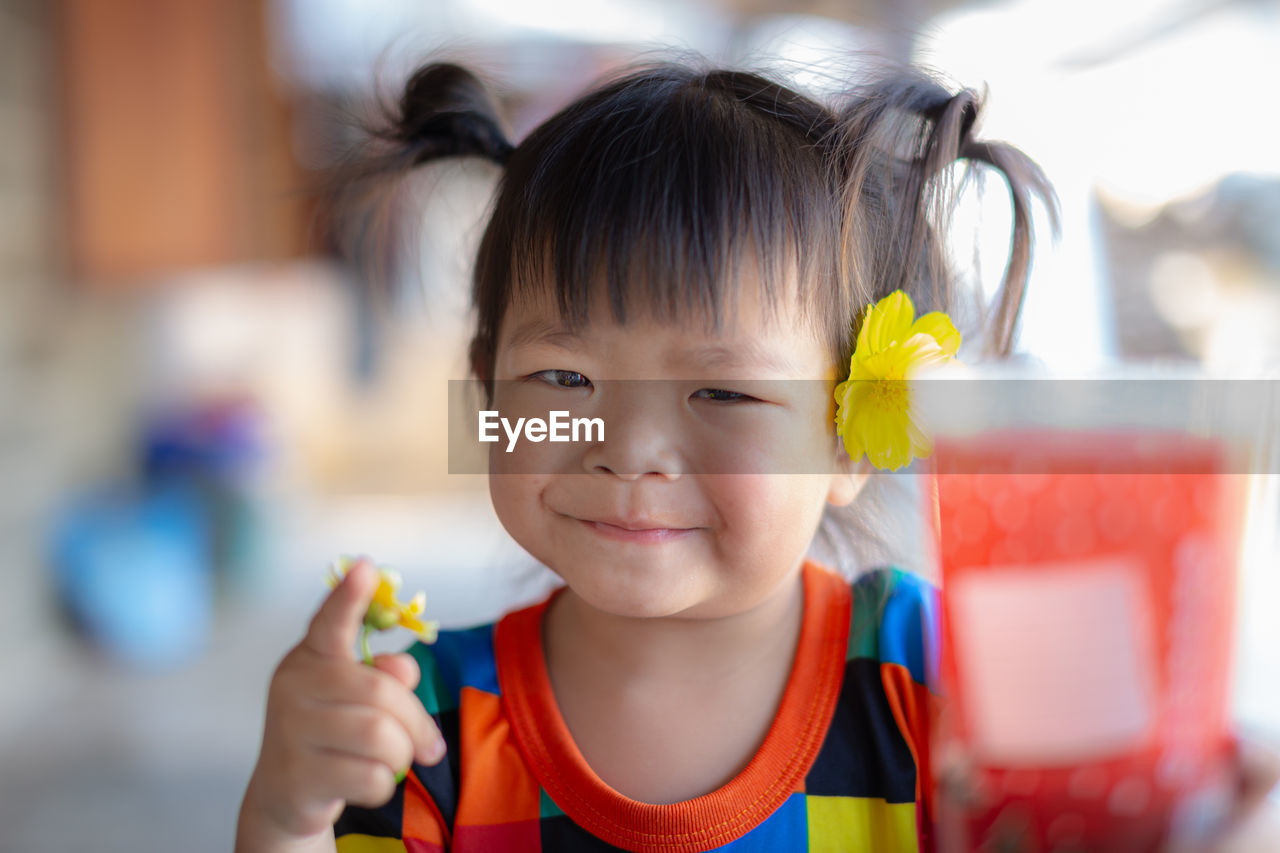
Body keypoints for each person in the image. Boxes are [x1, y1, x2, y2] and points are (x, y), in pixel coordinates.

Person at [235, 59, 1275, 853]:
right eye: (562, 380)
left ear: (849, 430)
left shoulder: (941, 685)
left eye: (722, 391)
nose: (630, 449)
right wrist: (285, 812)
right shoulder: (418, 725)